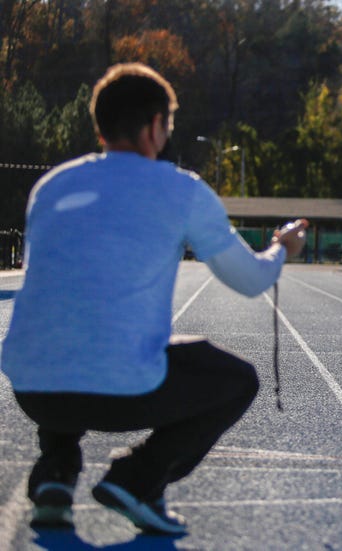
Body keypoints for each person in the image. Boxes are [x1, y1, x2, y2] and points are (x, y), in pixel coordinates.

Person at [0, 63, 308, 535]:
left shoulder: (52, 185)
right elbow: (249, 280)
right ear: (153, 127)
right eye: (167, 125)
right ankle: (137, 478)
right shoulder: (180, 189)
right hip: (118, 394)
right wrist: (281, 249)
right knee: (238, 380)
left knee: (66, 325)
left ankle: (55, 479)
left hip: (33, 390)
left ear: (99, 123)